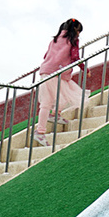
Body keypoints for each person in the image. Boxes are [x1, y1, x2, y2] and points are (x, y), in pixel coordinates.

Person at [34, 18, 85, 147]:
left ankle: (48, 121)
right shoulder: (73, 41)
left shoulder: (54, 40)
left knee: (50, 99)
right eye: (79, 31)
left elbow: (46, 56)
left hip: (46, 70)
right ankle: (42, 129)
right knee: (68, 93)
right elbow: (75, 57)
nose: (79, 34)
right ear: (75, 30)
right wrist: (85, 69)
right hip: (57, 72)